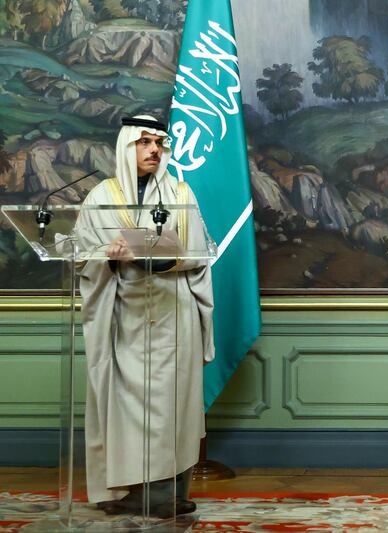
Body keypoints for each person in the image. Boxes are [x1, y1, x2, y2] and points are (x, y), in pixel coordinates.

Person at [76, 115, 215, 518]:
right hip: (123, 316)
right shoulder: (101, 197)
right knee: (124, 406)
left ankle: (168, 494)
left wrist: (156, 258)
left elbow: (198, 253)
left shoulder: (180, 193)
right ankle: (127, 491)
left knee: (172, 407)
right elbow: (84, 255)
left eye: (159, 143)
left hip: (174, 314)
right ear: (126, 146)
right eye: (145, 142)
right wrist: (110, 258)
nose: (155, 150)